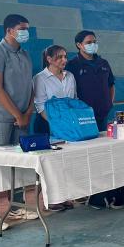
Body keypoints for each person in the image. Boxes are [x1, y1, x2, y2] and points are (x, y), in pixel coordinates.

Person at [0, 14, 38, 231]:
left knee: (19, 164)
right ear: (9, 31)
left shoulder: (25, 54)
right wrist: (17, 114)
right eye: (22, 28)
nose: (25, 32)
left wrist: (28, 112)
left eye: (27, 28)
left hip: (21, 118)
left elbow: (30, 86)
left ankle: (16, 206)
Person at [34, 45, 77, 211]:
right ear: (49, 59)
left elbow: (73, 99)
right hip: (47, 124)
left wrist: (70, 122)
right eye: (59, 57)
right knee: (50, 164)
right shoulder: (40, 78)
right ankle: (51, 200)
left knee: (65, 161)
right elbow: (40, 105)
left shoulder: (70, 76)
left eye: (65, 56)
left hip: (67, 124)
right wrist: (56, 124)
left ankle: (64, 196)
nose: (64, 60)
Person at [66, 30, 115, 132]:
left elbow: (111, 84)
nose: (93, 45)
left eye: (94, 42)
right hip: (84, 116)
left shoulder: (103, 63)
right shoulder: (72, 65)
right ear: (79, 45)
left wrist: (109, 103)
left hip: (103, 114)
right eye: (88, 43)